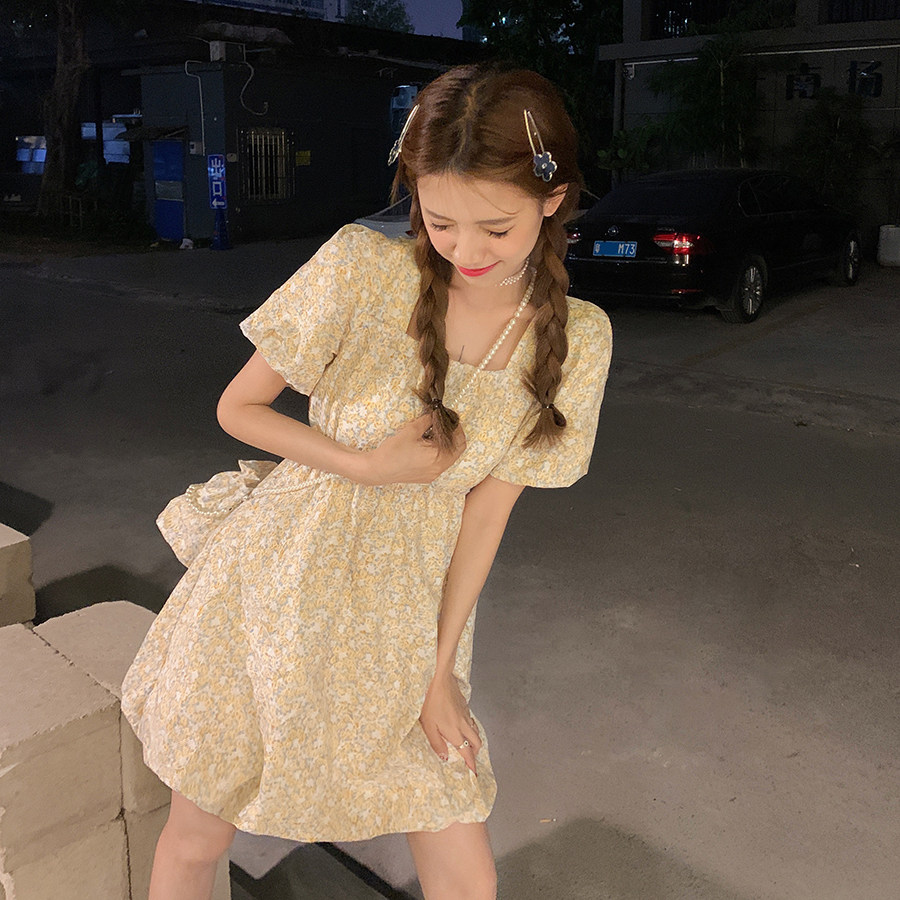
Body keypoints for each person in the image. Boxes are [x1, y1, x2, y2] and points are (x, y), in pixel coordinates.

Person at [121, 63, 612, 900]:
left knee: (461, 851)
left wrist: (437, 674)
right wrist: (363, 465)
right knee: (199, 835)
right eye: (440, 221)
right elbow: (239, 408)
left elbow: (488, 514)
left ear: (553, 199)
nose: (467, 251)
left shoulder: (581, 339)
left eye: (496, 227)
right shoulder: (361, 268)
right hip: (270, 586)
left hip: (410, 608)